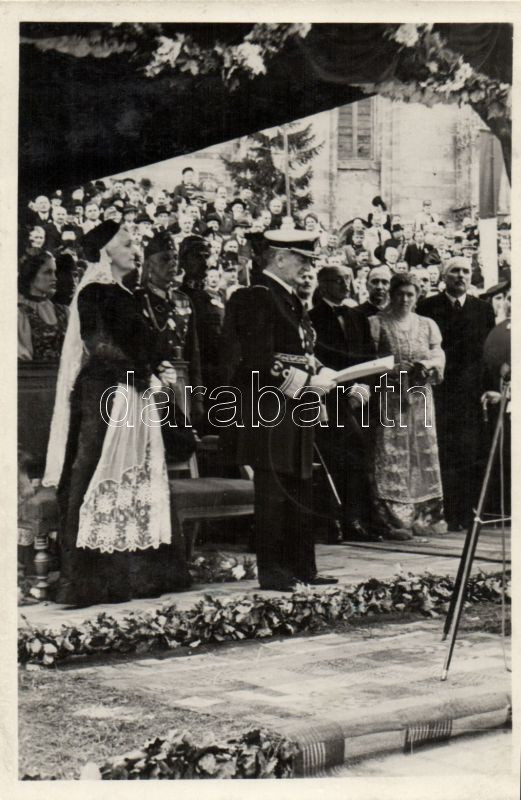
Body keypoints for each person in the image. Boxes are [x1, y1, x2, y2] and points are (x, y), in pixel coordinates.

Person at [42, 221, 192, 607]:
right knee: (95, 472)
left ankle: (140, 573)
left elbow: (144, 342)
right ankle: (89, 580)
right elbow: (99, 345)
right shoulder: (94, 292)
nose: (135, 250)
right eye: (126, 244)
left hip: (134, 393)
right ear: (106, 253)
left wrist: (160, 365)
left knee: (138, 472)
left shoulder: (128, 293)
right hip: (104, 395)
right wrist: (140, 374)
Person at [223, 229, 338, 591]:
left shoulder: (288, 298)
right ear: (280, 257)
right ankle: (274, 572)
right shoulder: (256, 296)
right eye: (302, 259)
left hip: (295, 405)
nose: (307, 267)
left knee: (300, 484)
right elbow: (257, 360)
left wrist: (320, 372)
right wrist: (305, 383)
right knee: (274, 490)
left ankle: (303, 567)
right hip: (270, 406)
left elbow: (300, 351)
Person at [418, 257, 495, 531]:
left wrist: (489, 386)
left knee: (468, 450)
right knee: (442, 450)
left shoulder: (482, 308)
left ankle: (467, 511)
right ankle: (445, 510)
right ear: (443, 276)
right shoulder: (428, 307)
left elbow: (489, 353)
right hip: (440, 390)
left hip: (470, 393)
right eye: (454, 271)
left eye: (465, 271)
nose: (461, 276)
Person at [369, 273, 447, 540]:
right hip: (390, 393)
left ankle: (425, 516)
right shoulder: (377, 322)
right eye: (400, 294)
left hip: (420, 394)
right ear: (391, 294)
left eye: (410, 294)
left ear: (417, 296)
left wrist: (427, 365)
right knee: (393, 450)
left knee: (421, 450)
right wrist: (390, 370)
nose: (404, 299)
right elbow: (369, 359)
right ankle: (393, 520)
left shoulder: (427, 324)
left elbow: (438, 354)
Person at [310, 265, 378, 542]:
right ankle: (336, 521)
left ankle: (357, 519)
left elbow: (369, 356)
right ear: (323, 284)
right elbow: (317, 360)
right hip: (330, 397)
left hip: (359, 397)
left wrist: (365, 386)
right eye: (338, 280)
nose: (345, 284)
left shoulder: (357, 316)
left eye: (347, 279)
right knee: (335, 458)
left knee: (359, 457)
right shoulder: (312, 317)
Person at [18, 251, 69, 361]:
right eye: (48, 272)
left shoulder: (63, 311)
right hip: (35, 372)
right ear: (31, 275)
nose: (54, 278)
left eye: (55, 272)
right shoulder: (20, 313)